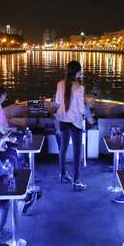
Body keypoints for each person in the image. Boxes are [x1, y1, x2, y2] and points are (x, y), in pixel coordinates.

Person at [54, 60, 86, 191]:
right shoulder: (79, 87)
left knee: (63, 148)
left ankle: (63, 175)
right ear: (78, 72)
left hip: (62, 119)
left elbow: (57, 101)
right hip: (75, 122)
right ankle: (77, 181)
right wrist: (86, 114)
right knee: (77, 152)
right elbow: (81, 109)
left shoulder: (60, 84)